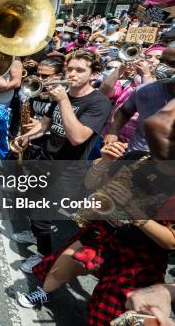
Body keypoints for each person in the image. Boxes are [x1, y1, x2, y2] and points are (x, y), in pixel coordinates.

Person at [17, 101, 175, 326]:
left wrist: (133, 211)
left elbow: (171, 242)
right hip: (103, 233)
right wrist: (105, 162)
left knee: (105, 314)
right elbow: (91, 183)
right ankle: (44, 292)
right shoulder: (138, 156)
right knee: (57, 271)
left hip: (140, 258)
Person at [10, 49, 111, 273]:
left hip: (68, 171)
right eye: (70, 69)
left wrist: (64, 100)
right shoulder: (64, 95)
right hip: (45, 161)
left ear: (94, 74)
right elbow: (44, 126)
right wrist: (24, 137)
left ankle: (43, 255)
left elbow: (77, 137)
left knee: (43, 218)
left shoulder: (99, 103)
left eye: (80, 70)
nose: (72, 74)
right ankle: (34, 233)